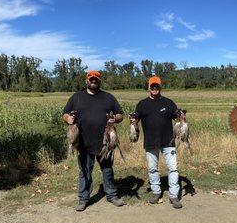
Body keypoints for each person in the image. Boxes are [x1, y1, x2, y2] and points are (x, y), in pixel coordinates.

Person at [63, 70, 124, 211]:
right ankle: (83, 199)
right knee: (84, 171)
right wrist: (68, 119)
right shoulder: (76, 97)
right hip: (83, 142)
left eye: (96, 79)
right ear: (86, 80)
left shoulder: (108, 97)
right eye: (91, 79)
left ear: (99, 81)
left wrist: (116, 118)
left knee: (107, 170)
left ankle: (111, 195)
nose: (93, 81)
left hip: (105, 142)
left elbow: (120, 114)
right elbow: (65, 114)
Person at [133, 76, 182, 209]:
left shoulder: (169, 103)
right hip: (150, 141)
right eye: (152, 86)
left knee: (173, 168)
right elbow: (135, 119)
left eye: (157, 86)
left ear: (160, 87)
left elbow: (176, 117)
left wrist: (180, 116)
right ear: (148, 87)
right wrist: (133, 121)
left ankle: (173, 195)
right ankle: (156, 192)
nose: (154, 88)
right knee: (153, 169)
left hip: (168, 141)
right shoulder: (142, 104)